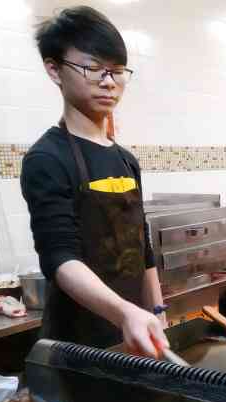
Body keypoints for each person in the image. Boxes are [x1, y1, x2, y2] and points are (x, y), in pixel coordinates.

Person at [20, 6, 169, 357]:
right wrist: (124, 312)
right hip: (78, 346)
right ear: (54, 70)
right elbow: (60, 259)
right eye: (92, 68)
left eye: (116, 71)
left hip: (132, 332)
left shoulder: (124, 159)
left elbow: (141, 246)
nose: (108, 82)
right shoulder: (47, 158)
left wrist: (157, 313)